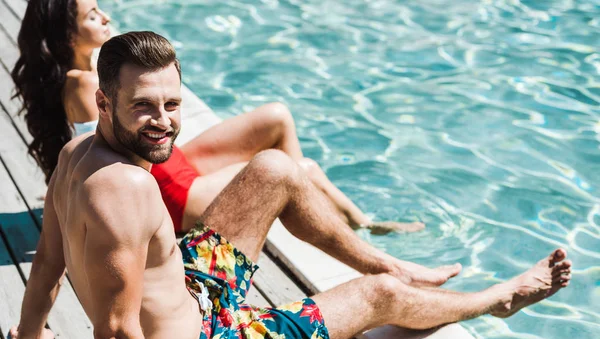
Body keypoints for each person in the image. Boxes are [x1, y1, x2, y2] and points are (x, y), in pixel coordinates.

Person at [9, 32, 572, 339]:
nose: (162, 122)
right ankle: (496, 301)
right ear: (104, 103)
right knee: (376, 296)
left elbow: (52, 257)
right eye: (143, 107)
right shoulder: (126, 188)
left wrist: (31, 335)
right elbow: (116, 334)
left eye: (172, 103)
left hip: (191, 294)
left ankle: (390, 259)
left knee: (276, 168)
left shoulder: (73, 155)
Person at [11, 0, 424, 235]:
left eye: (100, 8)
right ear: (67, 36)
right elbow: (110, 164)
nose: (105, 17)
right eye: (92, 15)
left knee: (275, 117)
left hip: (170, 168)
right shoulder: (84, 85)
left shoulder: (88, 73)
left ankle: (317, 206)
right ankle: (355, 226)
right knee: (299, 168)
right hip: (169, 198)